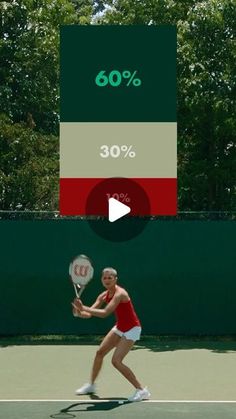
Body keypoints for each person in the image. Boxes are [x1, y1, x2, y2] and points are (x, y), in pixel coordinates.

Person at [72, 267, 151, 402]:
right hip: (120, 327)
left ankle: (141, 390)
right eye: (104, 278)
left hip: (132, 329)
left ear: (115, 279)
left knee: (116, 361)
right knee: (100, 353)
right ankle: (91, 385)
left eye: (110, 277)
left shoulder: (120, 293)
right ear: (102, 280)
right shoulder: (103, 295)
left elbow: (105, 313)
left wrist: (83, 307)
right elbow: (90, 313)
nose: (107, 280)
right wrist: (80, 313)